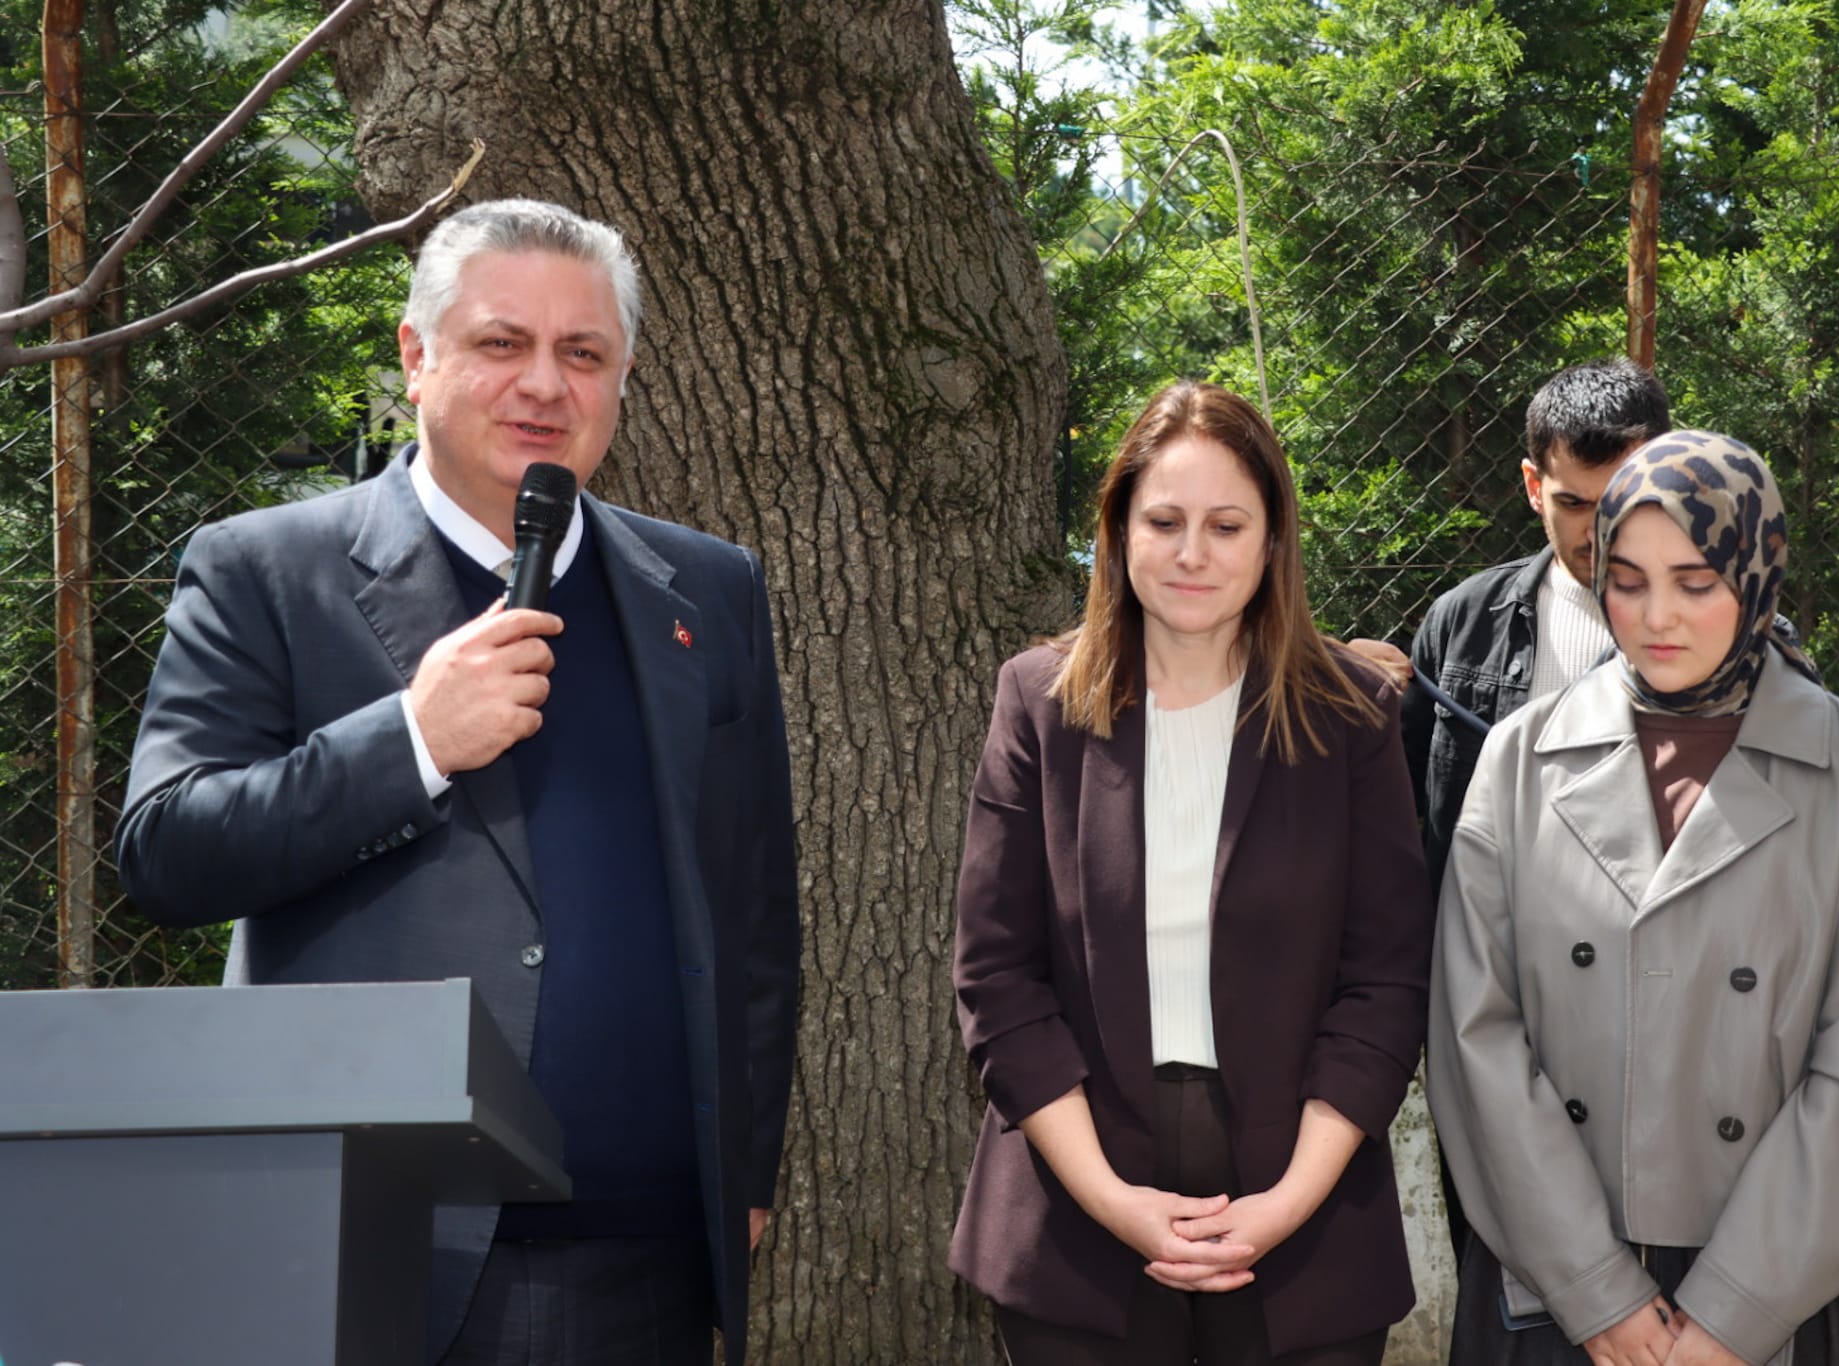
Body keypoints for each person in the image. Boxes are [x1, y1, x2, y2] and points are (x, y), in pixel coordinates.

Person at [115, 199, 800, 1366]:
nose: (544, 384)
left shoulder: (708, 590)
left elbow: (751, 914)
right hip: (362, 1237)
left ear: (619, 379)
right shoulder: (263, 572)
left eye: (581, 354)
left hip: (639, 1254)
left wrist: (739, 1167)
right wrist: (413, 741)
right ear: (415, 353)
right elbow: (169, 850)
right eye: (500, 343)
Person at [1427, 430, 1839, 1366]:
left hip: (1788, 1293)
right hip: (1554, 1291)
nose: (1655, 615)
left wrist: (1729, 1317)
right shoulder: (1517, 757)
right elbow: (1477, 1043)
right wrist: (1598, 1296)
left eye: (1697, 582)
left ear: (1756, 577)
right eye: (1626, 580)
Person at [949, 380, 1434, 1365]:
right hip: (1076, 1217)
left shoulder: (1350, 715)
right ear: (1117, 530)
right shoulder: (1036, 702)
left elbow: (1384, 980)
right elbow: (996, 975)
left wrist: (1284, 1203)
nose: (1190, 552)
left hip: (1302, 1219)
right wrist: (1112, 1201)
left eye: (1225, 523)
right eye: (1162, 520)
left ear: (1271, 541)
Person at [1399, 358, 1671, 896]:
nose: (1600, 531)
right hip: (1478, 956)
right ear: (1533, 486)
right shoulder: (1463, 621)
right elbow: (1387, 814)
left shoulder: (1737, 633)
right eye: (1573, 503)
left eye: (1623, 500)